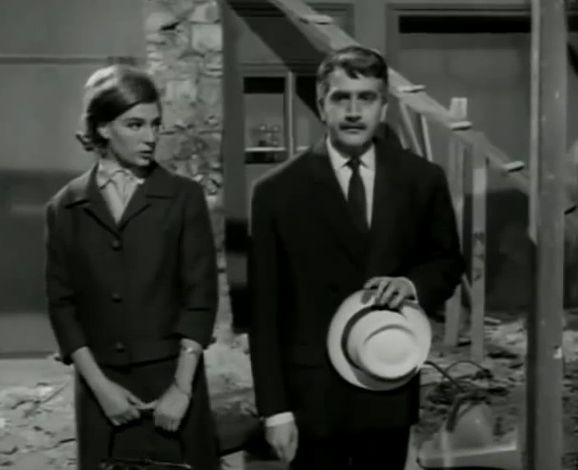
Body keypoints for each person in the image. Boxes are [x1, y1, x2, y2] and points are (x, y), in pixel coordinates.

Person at [248, 46, 465, 469]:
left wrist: (411, 285)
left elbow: (447, 262)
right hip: (312, 397)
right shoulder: (276, 191)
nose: (353, 112)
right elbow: (264, 312)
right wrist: (275, 411)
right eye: (340, 98)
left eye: (366, 98)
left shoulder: (422, 179)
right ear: (321, 105)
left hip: (386, 381)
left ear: (383, 106)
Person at [44, 64, 220, 470]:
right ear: (103, 128)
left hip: (172, 386)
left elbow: (200, 298)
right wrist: (101, 389)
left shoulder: (183, 198)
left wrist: (181, 389)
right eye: (135, 125)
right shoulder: (65, 207)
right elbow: (62, 307)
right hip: (102, 393)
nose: (150, 137)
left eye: (155, 125)